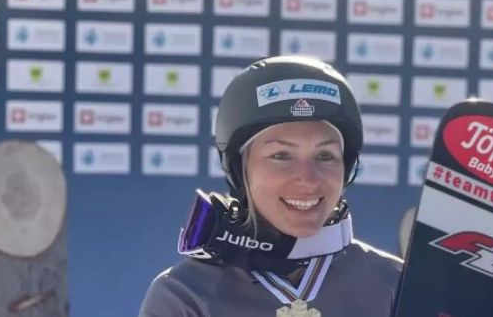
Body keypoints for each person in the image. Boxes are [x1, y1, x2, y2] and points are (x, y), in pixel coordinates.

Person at [139, 55, 403, 316]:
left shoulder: (396, 285)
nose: (308, 178)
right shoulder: (185, 293)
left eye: (325, 156)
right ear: (240, 169)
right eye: (281, 156)